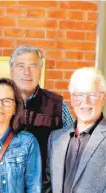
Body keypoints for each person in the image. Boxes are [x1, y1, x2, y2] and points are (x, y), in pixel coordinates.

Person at [9, 45, 74, 184]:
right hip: (1, 192)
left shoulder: (57, 105)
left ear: (40, 71)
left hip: (43, 191)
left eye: (33, 66)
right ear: (11, 71)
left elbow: (73, 148)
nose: (27, 72)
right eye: (20, 66)